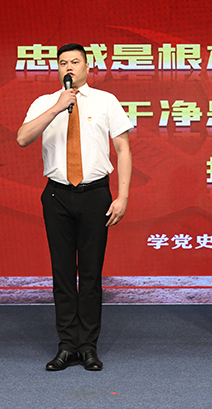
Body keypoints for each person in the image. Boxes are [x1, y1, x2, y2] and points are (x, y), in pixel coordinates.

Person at [17, 43, 133, 372]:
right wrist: (57, 108)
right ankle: (67, 345)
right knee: (63, 273)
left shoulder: (105, 101)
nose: (69, 67)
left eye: (75, 62)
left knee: (91, 274)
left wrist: (123, 196)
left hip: (95, 194)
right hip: (57, 195)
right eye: (63, 63)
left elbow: (123, 149)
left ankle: (89, 346)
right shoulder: (45, 103)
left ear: (86, 67)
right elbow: (22, 138)